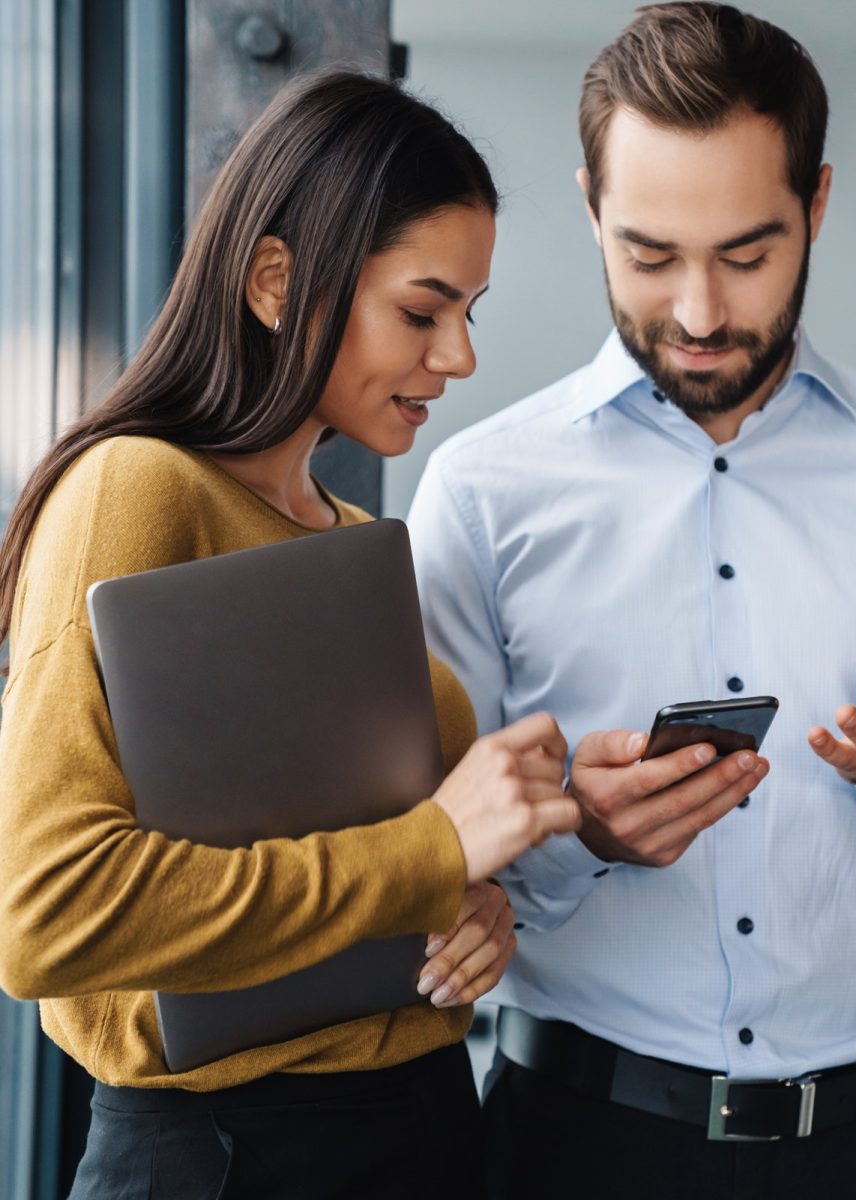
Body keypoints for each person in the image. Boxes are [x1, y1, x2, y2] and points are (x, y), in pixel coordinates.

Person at [407, 5, 856, 1197]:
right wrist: (583, 836)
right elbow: (423, 884)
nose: (696, 314)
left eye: (745, 254)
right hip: (565, 1148)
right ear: (588, 210)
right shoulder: (479, 495)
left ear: (815, 206)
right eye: (648, 253)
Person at [0, 69, 581, 1199]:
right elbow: (47, 911)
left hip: (421, 1122)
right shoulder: (134, 490)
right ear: (277, 279)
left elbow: (382, 870)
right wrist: (427, 858)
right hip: (232, 1155)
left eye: (470, 313)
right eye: (422, 311)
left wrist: (472, 914)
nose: (458, 357)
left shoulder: (354, 539)